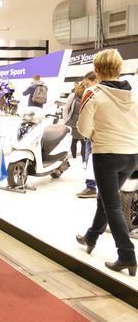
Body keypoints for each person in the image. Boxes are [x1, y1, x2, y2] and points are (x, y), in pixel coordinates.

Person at [76, 49, 138, 276]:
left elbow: (83, 129)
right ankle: (91, 236)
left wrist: (96, 134)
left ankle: (127, 255)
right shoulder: (134, 92)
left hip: (107, 155)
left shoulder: (93, 93)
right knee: (105, 198)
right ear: (119, 68)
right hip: (132, 155)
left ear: (96, 70)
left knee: (112, 205)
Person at [76, 71, 99, 199]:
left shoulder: (93, 94)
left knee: (90, 159)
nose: (85, 87)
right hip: (93, 134)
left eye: (87, 84)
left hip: (94, 134)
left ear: (96, 80)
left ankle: (91, 187)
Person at [63, 84, 86, 162]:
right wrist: (66, 120)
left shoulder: (87, 96)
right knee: (74, 141)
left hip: (83, 123)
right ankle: (74, 158)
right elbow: (66, 109)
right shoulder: (73, 96)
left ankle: (84, 161)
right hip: (72, 122)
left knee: (83, 142)